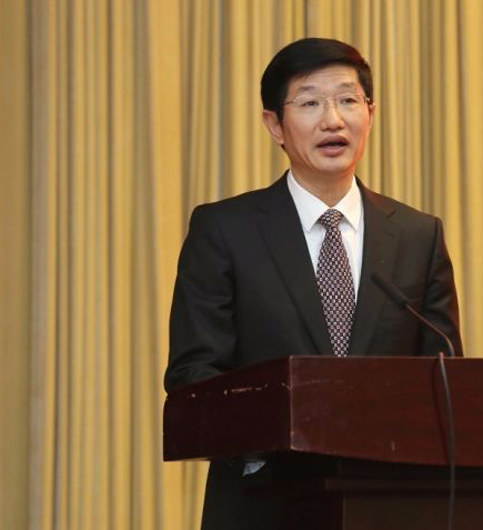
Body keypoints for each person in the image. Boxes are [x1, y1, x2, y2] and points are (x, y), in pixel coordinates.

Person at [164, 37, 463, 529]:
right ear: (274, 125)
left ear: (370, 113)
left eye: (348, 100)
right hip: (263, 504)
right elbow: (194, 376)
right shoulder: (224, 230)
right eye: (309, 103)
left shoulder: (418, 236)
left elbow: (445, 376)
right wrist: (286, 433)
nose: (333, 120)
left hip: (390, 506)